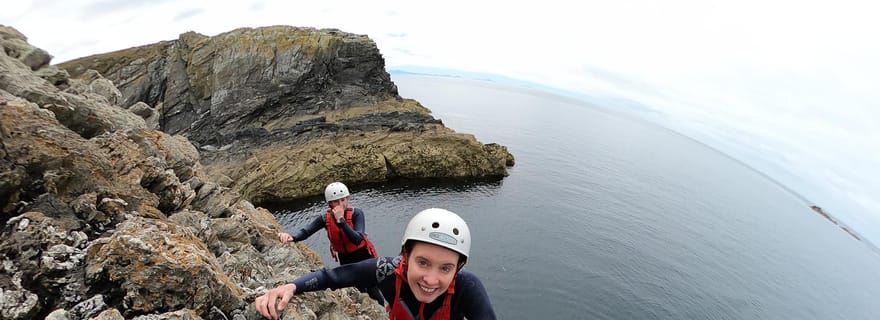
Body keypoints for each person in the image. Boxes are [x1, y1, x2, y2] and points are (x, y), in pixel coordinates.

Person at [257, 208, 496, 320]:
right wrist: (291, 287)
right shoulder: (386, 271)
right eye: (423, 262)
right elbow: (334, 277)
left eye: (445, 268)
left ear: (458, 268)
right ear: (405, 255)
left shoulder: (466, 287)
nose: (431, 280)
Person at [276, 181, 383, 303]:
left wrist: (341, 221)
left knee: (373, 290)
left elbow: (357, 239)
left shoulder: (356, 213)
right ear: (330, 204)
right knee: (357, 289)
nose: (340, 204)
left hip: (363, 255)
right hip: (345, 258)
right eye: (336, 201)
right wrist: (292, 237)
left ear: (347, 199)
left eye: (343, 200)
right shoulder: (325, 218)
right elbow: (307, 231)